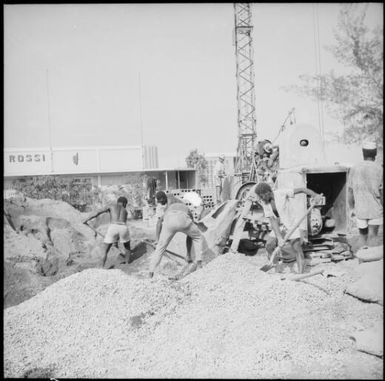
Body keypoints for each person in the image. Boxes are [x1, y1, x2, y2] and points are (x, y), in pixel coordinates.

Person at [254, 182, 323, 274]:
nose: (261, 199)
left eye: (261, 196)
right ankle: (275, 266)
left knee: (297, 247)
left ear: (267, 192)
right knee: (269, 245)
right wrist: (279, 238)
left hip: (292, 224)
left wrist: (315, 195)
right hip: (279, 226)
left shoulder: (281, 193)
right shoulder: (265, 203)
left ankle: (300, 272)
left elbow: (302, 190)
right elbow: (272, 220)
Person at [149, 191, 203, 278]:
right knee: (197, 237)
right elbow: (190, 228)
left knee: (160, 248)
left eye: (160, 202)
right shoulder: (182, 205)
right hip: (184, 218)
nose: (160, 204)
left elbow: (159, 223)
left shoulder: (168, 207)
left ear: (164, 199)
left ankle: (151, 273)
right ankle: (199, 263)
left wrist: (157, 240)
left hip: (170, 220)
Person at [347, 140, 383, 248]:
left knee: (362, 236)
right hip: (375, 209)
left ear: (363, 153)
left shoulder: (354, 168)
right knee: (373, 236)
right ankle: (371, 262)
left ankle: (361, 261)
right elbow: (381, 192)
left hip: (360, 209)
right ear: (375, 153)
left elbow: (350, 191)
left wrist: (352, 208)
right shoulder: (379, 168)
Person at [83, 196, 132, 268]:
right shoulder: (125, 211)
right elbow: (120, 227)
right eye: (125, 204)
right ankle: (127, 263)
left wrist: (87, 219)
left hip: (113, 227)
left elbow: (98, 212)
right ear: (124, 203)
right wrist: (116, 240)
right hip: (123, 227)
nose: (125, 206)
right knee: (127, 246)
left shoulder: (111, 206)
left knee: (105, 250)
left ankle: (101, 267)